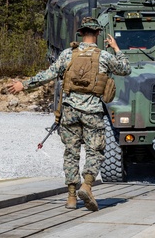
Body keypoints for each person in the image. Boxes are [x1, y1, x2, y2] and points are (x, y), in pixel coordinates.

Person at [8, 17, 131, 212]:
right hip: (92, 112)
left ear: (81, 33)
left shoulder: (67, 55)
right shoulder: (104, 57)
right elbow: (125, 69)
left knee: (71, 153)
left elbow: (48, 74)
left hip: (69, 113)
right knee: (95, 151)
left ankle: (72, 197)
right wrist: (116, 48)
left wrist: (23, 84)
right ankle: (87, 185)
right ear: (98, 34)